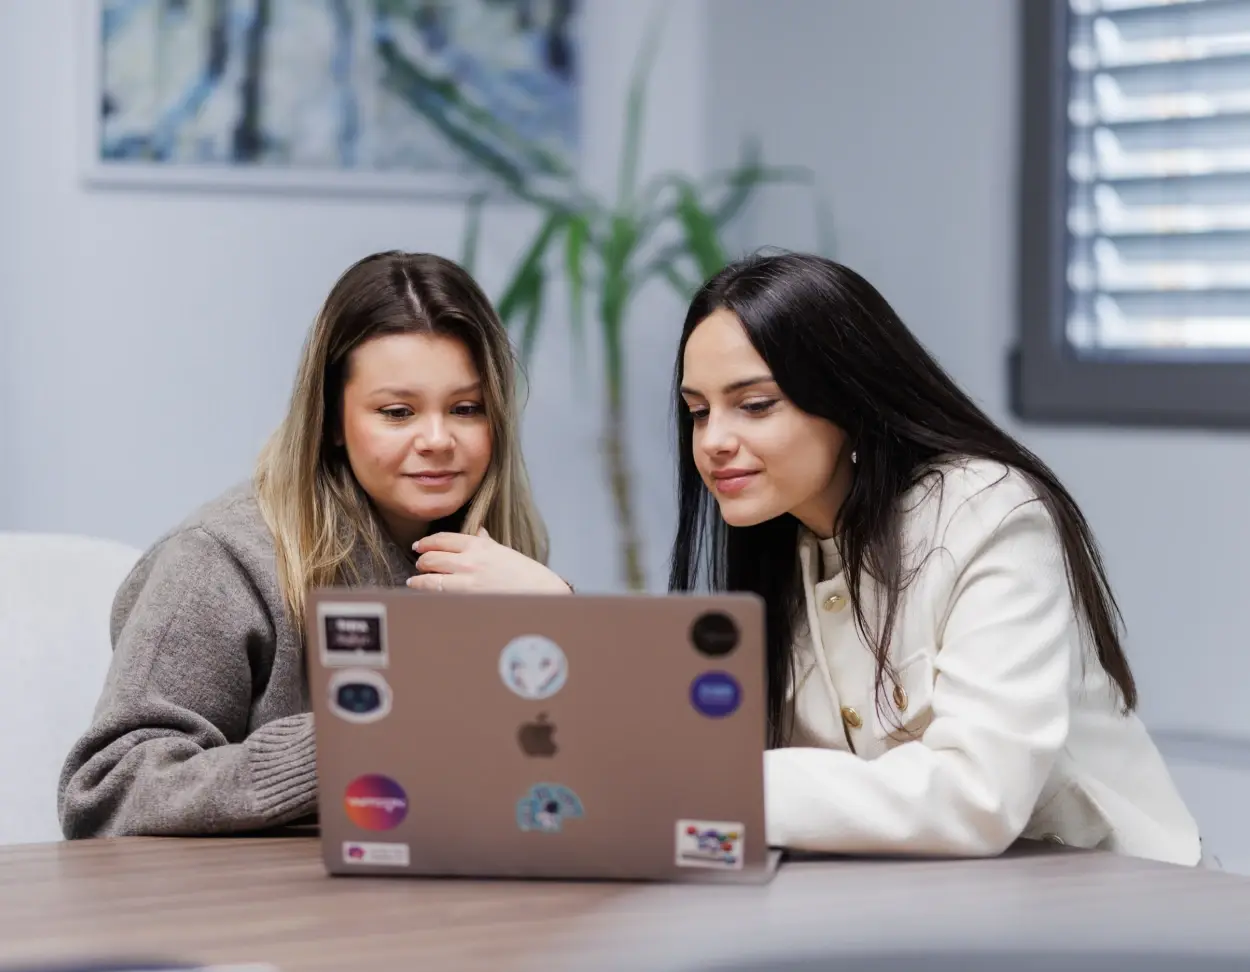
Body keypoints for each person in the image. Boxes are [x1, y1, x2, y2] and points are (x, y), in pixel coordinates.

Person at [669, 251, 1203, 865]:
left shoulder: (987, 510)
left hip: (1111, 895)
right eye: (698, 411)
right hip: (938, 902)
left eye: (755, 405)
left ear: (848, 399)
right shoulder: (780, 544)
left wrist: (721, 786)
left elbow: (977, 795)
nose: (712, 442)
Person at [59, 251, 571, 838]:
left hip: (440, 891)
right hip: (270, 914)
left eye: (466, 409)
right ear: (332, 419)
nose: (437, 439)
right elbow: (109, 792)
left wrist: (561, 623)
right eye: (398, 412)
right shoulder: (217, 560)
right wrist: (359, 736)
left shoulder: (498, 555)